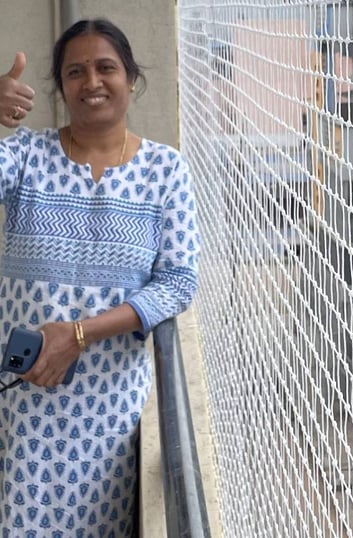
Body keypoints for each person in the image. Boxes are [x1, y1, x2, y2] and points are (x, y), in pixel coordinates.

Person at [0, 18, 200, 536]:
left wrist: (80, 334)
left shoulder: (165, 170)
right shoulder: (24, 157)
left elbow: (178, 281)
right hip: (22, 406)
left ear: (130, 77)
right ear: (61, 87)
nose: (92, 82)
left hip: (109, 418)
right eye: (75, 71)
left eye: (106, 67)